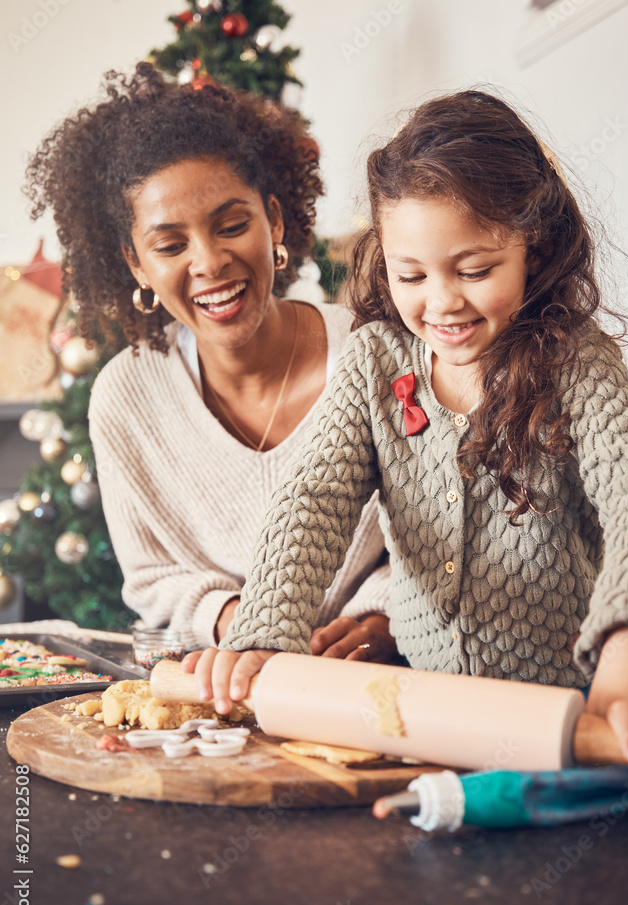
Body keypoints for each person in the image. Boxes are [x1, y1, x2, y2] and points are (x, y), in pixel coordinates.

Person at [186, 89, 628, 766]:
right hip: (421, 723)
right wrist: (266, 629)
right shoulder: (374, 364)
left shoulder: (575, 360)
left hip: (568, 724)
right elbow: (313, 499)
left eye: (475, 270)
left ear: (537, 244)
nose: (441, 303)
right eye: (412, 275)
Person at [24, 62, 394, 660]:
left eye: (231, 225)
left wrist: (382, 619)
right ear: (137, 263)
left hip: (374, 674)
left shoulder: (376, 355)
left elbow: (441, 535)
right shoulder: (126, 397)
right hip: (220, 687)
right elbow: (152, 578)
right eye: (170, 245)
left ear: (273, 219)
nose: (210, 261)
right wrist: (240, 625)